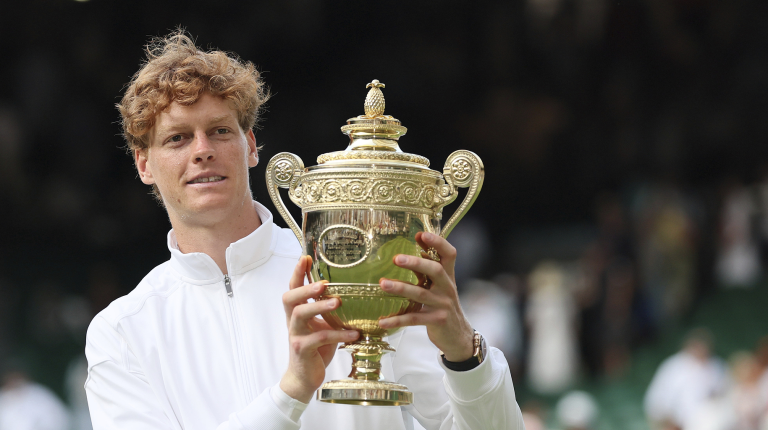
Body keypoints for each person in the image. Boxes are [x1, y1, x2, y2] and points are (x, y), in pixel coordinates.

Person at [84, 31, 524, 430]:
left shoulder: (365, 270)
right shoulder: (122, 332)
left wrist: (465, 353)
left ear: (251, 146)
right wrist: (290, 392)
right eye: (177, 138)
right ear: (144, 164)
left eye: (219, 131)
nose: (202, 151)